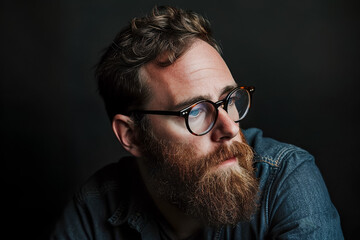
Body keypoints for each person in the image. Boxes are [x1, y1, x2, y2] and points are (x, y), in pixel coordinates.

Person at [51, 5, 344, 239]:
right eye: (195, 111)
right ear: (132, 135)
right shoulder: (94, 210)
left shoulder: (286, 181)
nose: (229, 128)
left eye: (229, 100)